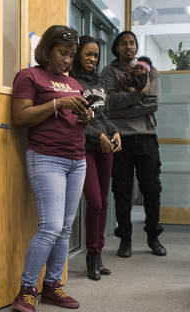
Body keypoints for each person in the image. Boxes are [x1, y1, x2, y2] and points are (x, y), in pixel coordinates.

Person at [11, 25, 91, 312]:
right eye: (62, 53)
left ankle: (52, 286)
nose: (67, 59)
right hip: (47, 158)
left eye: (71, 55)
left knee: (66, 227)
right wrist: (57, 103)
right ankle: (27, 290)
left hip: (77, 159)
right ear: (46, 50)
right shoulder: (28, 75)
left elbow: (77, 123)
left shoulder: (73, 82)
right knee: (51, 226)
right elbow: (20, 117)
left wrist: (85, 115)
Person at [101, 31, 166, 258]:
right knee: (122, 189)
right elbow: (107, 101)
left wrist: (121, 110)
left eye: (132, 43)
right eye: (123, 43)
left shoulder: (150, 70)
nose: (128, 46)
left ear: (136, 47)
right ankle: (125, 239)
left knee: (151, 188)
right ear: (116, 48)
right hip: (119, 137)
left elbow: (154, 102)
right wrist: (138, 94)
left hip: (146, 136)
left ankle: (153, 237)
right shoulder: (109, 72)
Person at [69, 36, 121, 281]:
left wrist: (114, 132)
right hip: (86, 148)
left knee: (105, 204)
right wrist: (97, 134)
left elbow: (105, 115)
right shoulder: (71, 82)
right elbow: (74, 119)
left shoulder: (99, 83)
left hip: (105, 148)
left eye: (96, 56)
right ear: (78, 53)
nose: (92, 59)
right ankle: (91, 255)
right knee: (95, 203)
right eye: (88, 54)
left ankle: (98, 254)